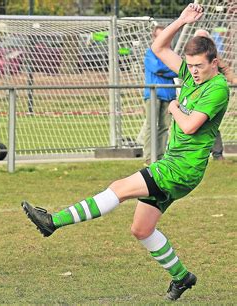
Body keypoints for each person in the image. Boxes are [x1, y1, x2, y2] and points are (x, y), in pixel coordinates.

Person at [22, 3, 229, 301]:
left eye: (199, 66)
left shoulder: (218, 88)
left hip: (182, 168)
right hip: (175, 165)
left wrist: (172, 106)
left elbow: (190, 126)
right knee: (141, 229)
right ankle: (182, 277)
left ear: (214, 62)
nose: (193, 72)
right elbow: (159, 46)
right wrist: (182, 20)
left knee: (118, 188)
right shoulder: (192, 73)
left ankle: (53, 222)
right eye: (190, 66)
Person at [194, 29, 237, 160]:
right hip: (195, 94)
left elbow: (225, 69)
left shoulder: (214, 55)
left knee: (210, 123)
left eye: (204, 38)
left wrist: (234, 80)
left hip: (211, 93)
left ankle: (217, 154)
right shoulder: (190, 55)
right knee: (193, 125)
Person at [141, 25, 178, 164]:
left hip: (169, 95)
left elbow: (178, 70)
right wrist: (169, 68)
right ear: (154, 38)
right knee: (151, 125)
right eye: (160, 36)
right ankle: (150, 157)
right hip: (153, 94)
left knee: (164, 126)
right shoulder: (150, 53)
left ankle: (161, 156)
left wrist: (168, 70)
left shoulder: (171, 53)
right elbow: (158, 68)